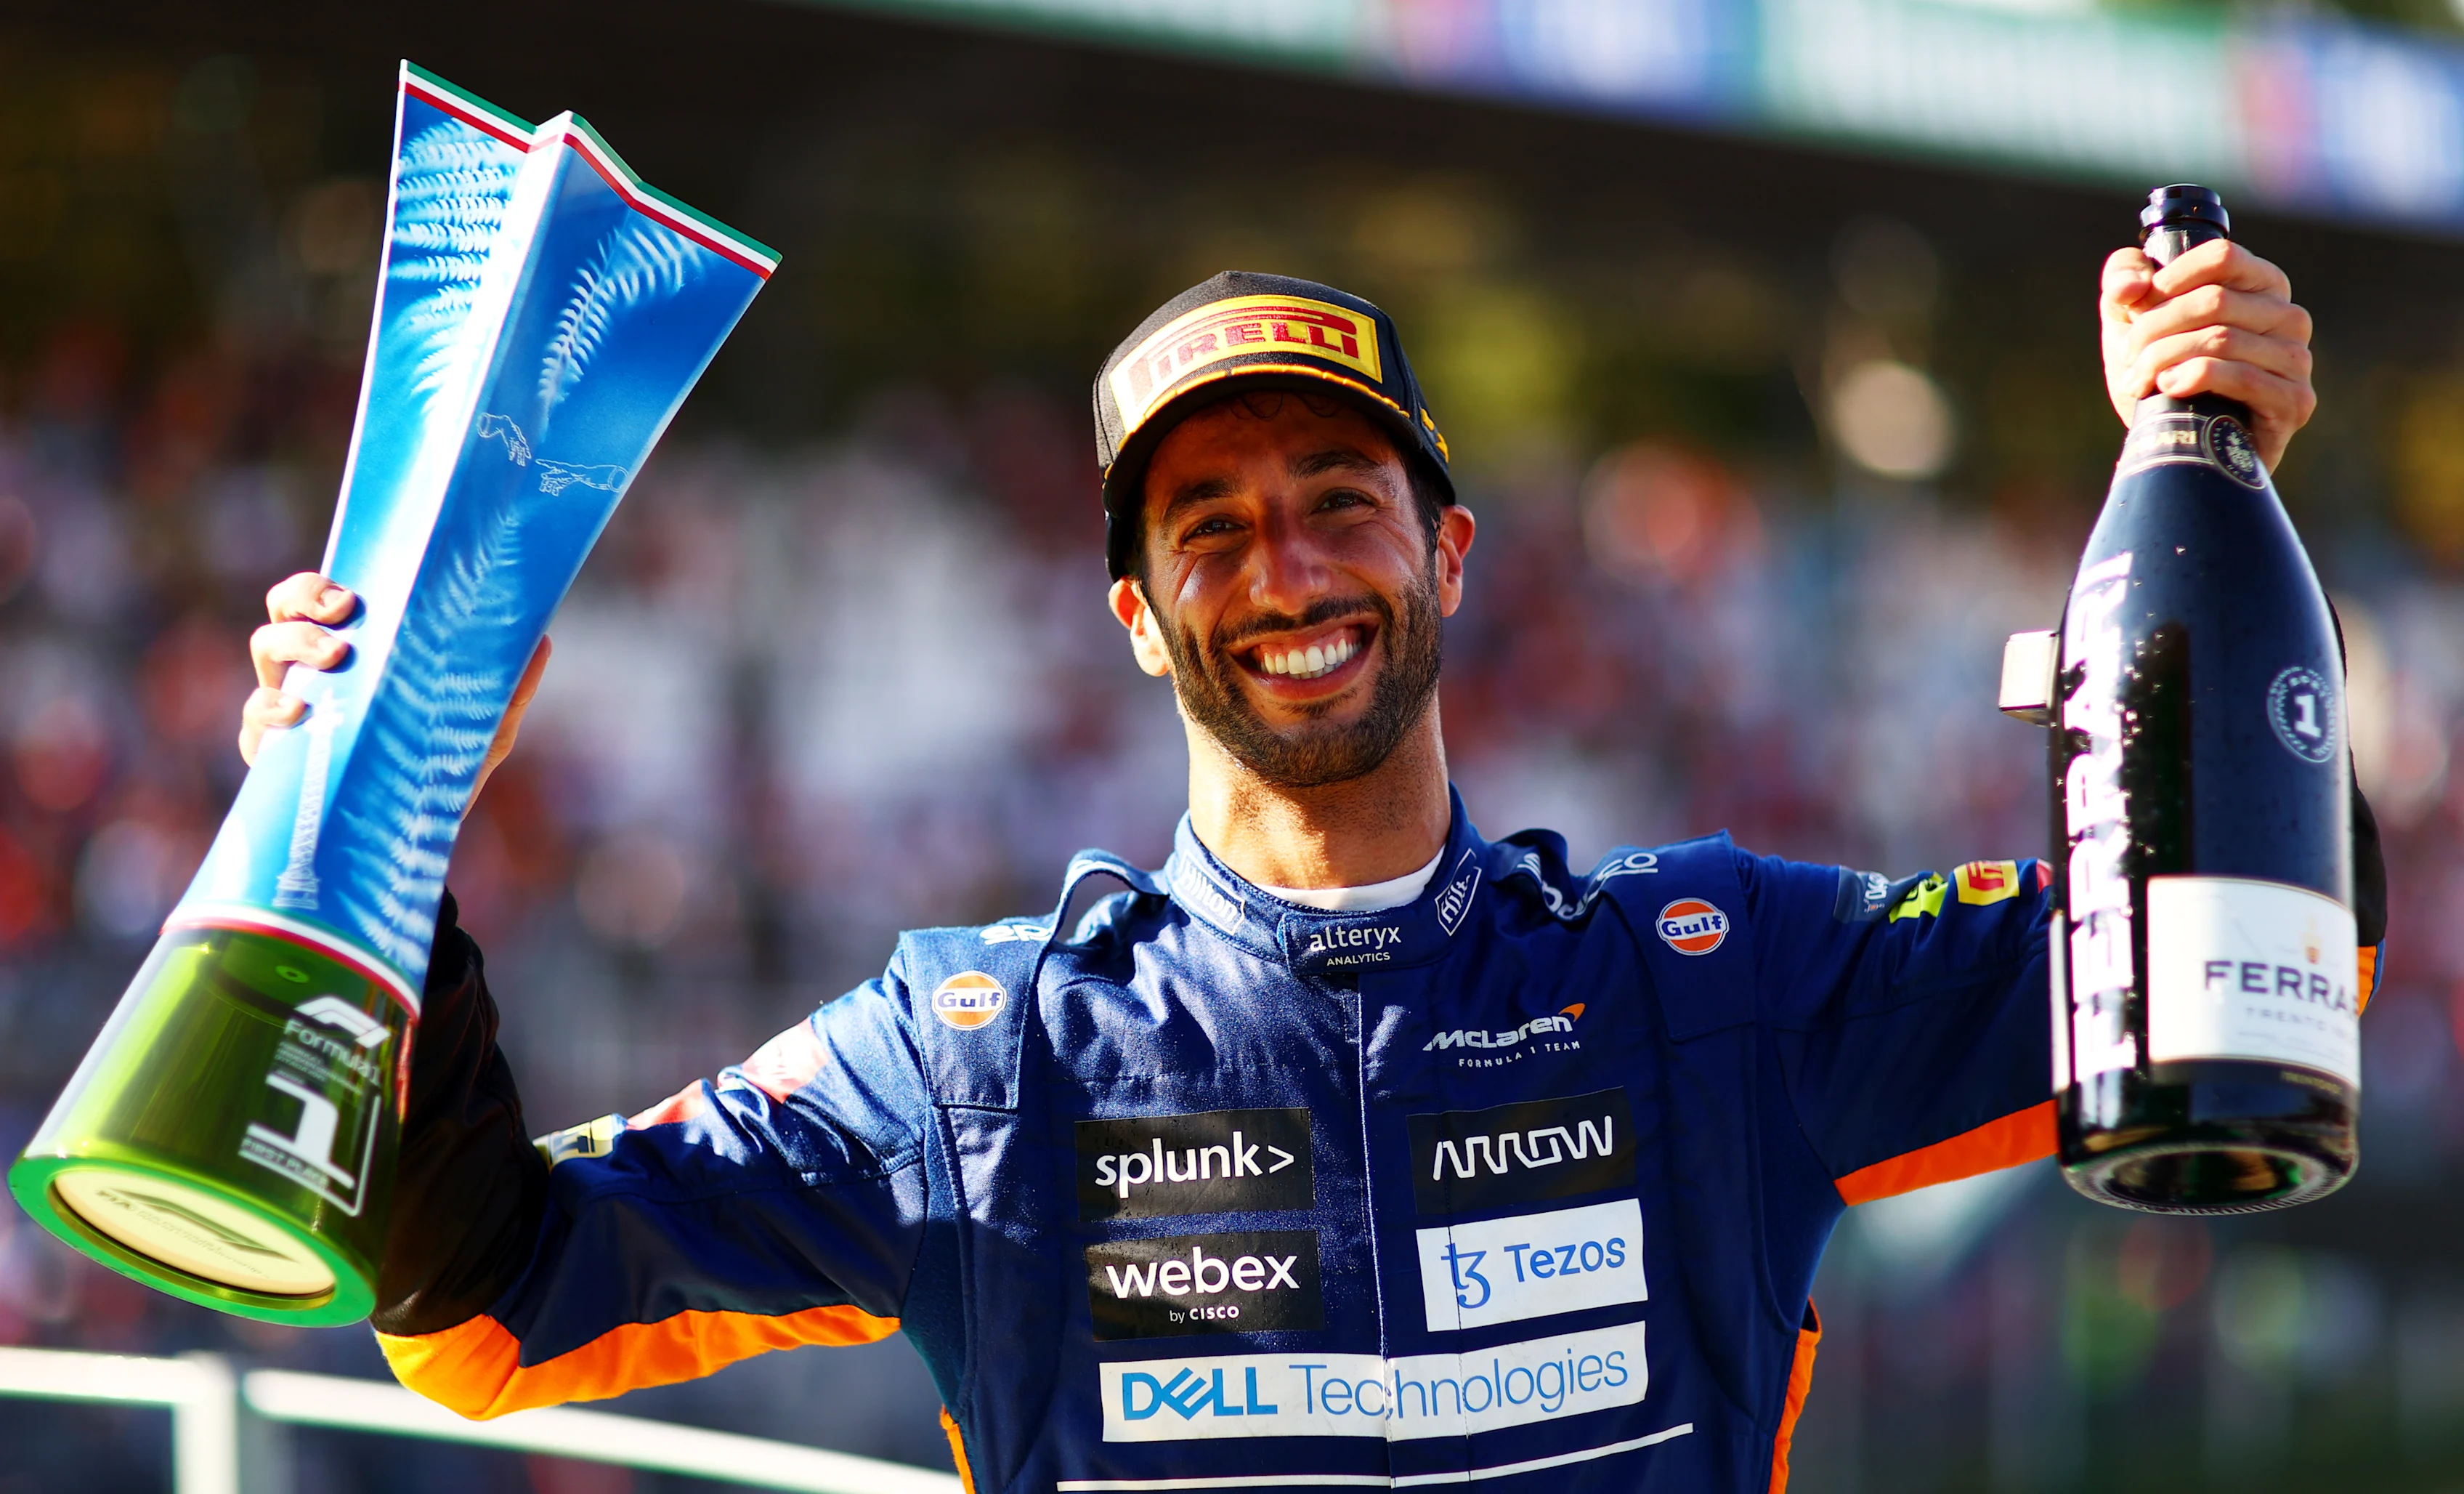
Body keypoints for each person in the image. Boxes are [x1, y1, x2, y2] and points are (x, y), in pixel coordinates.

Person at [240, 241, 2377, 1493]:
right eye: (1210, 529)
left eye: (1342, 500)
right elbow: (492, 1308)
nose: (1285, 572)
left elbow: (2260, 969)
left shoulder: (1711, 975)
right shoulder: (981, 1057)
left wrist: (2205, 477)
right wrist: (384, 832)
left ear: (1448, 554)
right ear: (1138, 620)